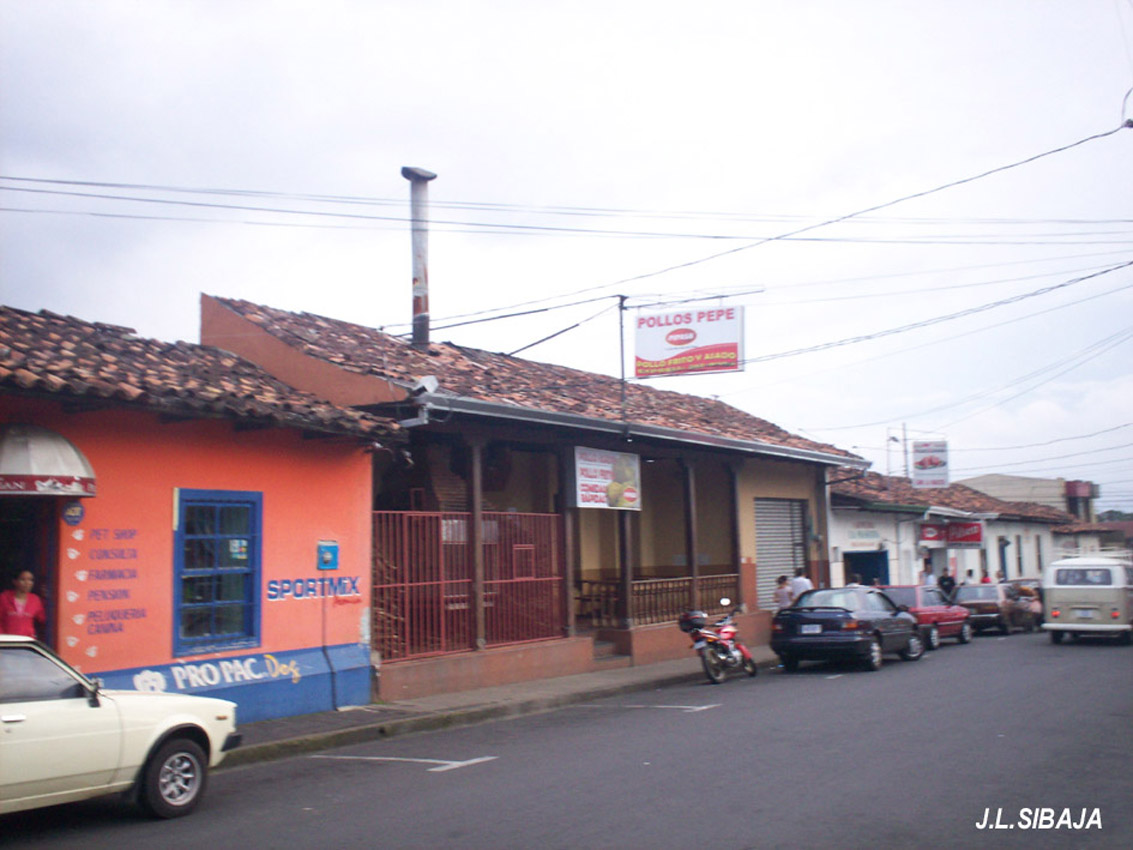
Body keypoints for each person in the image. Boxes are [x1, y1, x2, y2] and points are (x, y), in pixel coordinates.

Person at [0, 569, 47, 639]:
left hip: (26, 644)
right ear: (15, 581)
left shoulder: (35, 600)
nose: (27, 583)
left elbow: (44, 619)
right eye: (23, 579)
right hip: (7, 642)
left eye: (30, 580)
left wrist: (45, 598)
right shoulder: (4, 597)